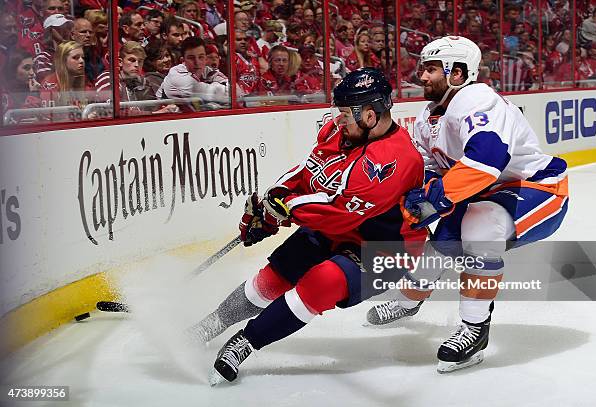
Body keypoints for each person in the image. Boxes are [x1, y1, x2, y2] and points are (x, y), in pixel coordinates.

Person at [186, 68, 427, 384]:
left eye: (345, 114)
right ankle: (211, 324)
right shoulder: (337, 132)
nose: (337, 120)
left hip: (387, 247)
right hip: (337, 229)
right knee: (275, 276)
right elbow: (307, 171)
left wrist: (281, 213)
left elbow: (340, 211)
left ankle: (246, 341)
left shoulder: (395, 159)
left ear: (370, 115)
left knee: (321, 282)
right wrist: (272, 200)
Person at [364, 36, 569, 373]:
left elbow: (487, 159)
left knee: (479, 228)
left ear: (457, 73)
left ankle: (475, 329)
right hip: (486, 190)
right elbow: (428, 168)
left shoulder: (476, 100)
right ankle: (409, 300)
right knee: (444, 243)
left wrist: (437, 196)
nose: (422, 76)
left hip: (539, 188)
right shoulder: (430, 113)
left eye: (431, 69)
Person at [156, 36, 229, 106]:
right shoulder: (177, 77)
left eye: (201, 57)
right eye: (191, 58)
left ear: (205, 59)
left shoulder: (207, 71)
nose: (197, 62)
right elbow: (217, 94)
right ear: (183, 60)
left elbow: (236, 91)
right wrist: (217, 84)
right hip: (165, 117)